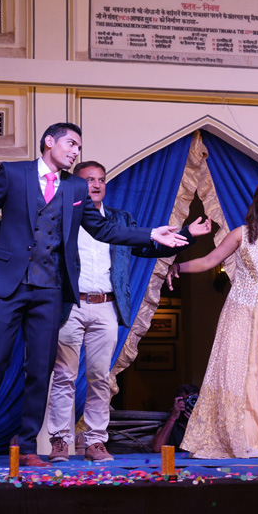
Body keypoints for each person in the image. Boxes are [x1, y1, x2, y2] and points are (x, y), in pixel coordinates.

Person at [0, 122, 187, 469]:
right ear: (49, 142)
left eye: (79, 146)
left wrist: (151, 233)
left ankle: (29, 447)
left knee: (40, 368)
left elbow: (104, 228)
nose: (76, 151)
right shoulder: (14, 173)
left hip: (50, 289)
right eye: (71, 144)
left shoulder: (75, 186)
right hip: (9, 284)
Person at [44, 161, 211, 463]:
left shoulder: (119, 219)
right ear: (75, 185)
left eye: (101, 180)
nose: (96, 185)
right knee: (64, 376)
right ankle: (59, 442)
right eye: (89, 180)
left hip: (106, 305)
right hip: (70, 305)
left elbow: (149, 247)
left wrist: (188, 233)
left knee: (99, 376)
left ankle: (95, 442)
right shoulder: (60, 217)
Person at [167, 180, 258, 459]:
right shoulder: (241, 234)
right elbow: (209, 261)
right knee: (238, 373)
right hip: (239, 311)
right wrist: (177, 265)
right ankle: (238, 438)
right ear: (256, 204)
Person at [151, 384, 200, 453]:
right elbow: (157, 449)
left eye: (194, 400)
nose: (192, 404)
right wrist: (173, 417)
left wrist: (197, 425)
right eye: (187, 401)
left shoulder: (206, 425)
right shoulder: (172, 425)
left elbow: (210, 451)